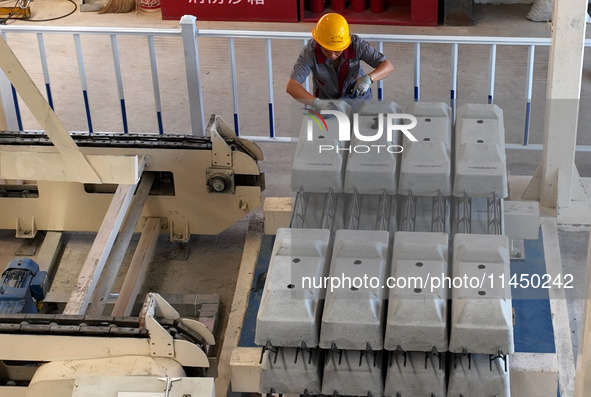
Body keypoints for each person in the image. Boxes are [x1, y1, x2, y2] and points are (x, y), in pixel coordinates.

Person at [286, 12, 394, 110]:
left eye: (337, 51)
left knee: (361, 130)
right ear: (319, 43)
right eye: (327, 51)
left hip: (359, 104)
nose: (332, 55)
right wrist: (317, 103)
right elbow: (292, 86)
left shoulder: (356, 45)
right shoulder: (309, 52)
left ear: (345, 44)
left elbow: (387, 66)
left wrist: (369, 78)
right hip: (327, 107)